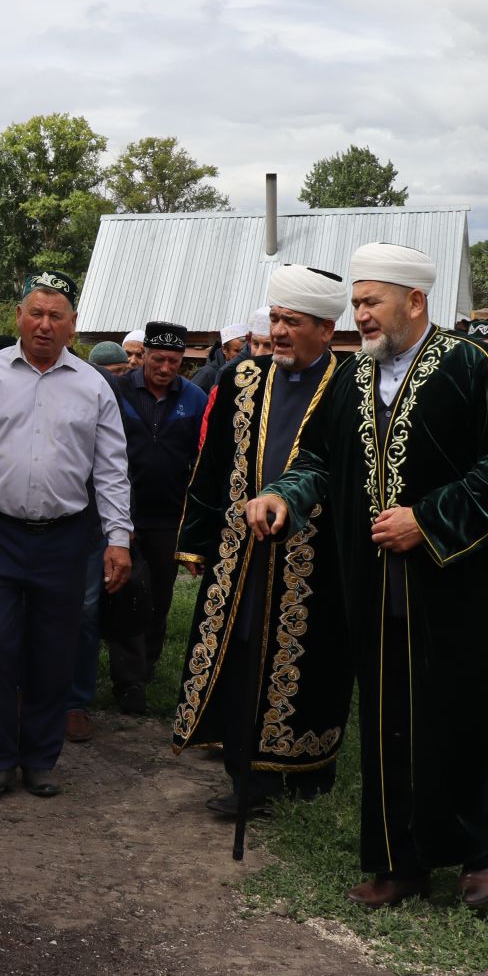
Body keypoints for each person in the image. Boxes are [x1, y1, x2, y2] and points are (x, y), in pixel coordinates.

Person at [247, 242, 488, 910]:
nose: (361, 316)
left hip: (455, 586)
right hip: (375, 588)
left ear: (415, 301)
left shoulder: (474, 367)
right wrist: (285, 495)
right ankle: (398, 862)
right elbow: (317, 457)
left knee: (458, 718)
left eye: (371, 302)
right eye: (355, 304)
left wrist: (427, 521)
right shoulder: (348, 378)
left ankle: (476, 855)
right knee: (386, 722)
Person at [0, 269, 134, 799]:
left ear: (73, 326)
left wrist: (119, 538)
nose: (44, 325)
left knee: (54, 649)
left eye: (56, 316)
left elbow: (112, 469)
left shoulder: (94, 386)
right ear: (18, 317)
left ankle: (41, 759)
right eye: (35, 313)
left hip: (66, 538)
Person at [173, 268, 354, 821]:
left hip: (318, 558)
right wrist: (197, 541)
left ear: (326, 329)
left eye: (291, 322)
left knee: (315, 657)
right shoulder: (241, 378)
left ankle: (305, 768)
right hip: (241, 549)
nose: (277, 331)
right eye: (274, 318)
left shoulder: (351, 384)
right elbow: (212, 465)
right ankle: (245, 772)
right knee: (242, 648)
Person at [70, 320, 206, 735]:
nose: (165, 368)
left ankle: (143, 670)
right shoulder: (119, 391)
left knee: (158, 595)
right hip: (119, 513)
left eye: (174, 361)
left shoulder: (194, 398)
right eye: (158, 358)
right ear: (143, 354)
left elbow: (201, 457)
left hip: (167, 515)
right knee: (126, 591)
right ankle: (127, 682)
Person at [192, 322, 249, 390]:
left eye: (244, 351)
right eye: (237, 351)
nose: (242, 355)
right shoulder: (207, 373)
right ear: (224, 350)